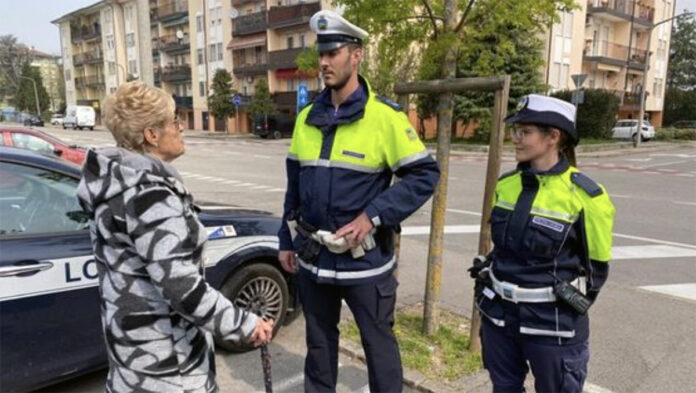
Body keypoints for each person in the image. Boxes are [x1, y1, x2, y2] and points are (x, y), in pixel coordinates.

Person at [277, 10, 440, 393]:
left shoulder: (384, 117)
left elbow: (424, 175)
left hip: (364, 262)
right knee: (318, 343)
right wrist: (285, 240)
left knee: (378, 344)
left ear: (356, 55)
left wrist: (372, 216)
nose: (323, 62)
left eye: (333, 52)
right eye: (321, 54)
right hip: (315, 258)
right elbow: (294, 185)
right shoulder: (306, 118)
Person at [77, 81, 274, 393]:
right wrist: (245, 324)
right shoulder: (149, 195)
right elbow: (181, 287)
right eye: (174, 121)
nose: (180, 128)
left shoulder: (116, 184)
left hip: (133, 361)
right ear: (151, 134)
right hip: (168, 368)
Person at [472, 94, 616, 393]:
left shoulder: (587, 197)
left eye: (525, 132)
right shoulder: (506, 184)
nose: (516, 138)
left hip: (552, 327)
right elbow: (501, 248)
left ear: (553, 136)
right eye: (515, 131)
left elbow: (596, 273)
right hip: (499, 318)